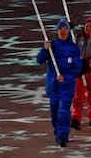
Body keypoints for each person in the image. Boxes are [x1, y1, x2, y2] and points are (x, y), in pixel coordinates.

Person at [36, 18, 84, 147]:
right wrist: (44, 49)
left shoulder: (73, 48)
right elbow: (40, 60)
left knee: (64, 110)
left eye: (65, 29)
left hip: (67, 87)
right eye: (60, 29)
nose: (63, 31)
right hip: (53, 86)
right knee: (54, 112)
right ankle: (58, 133)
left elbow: (77, 67)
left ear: (69, 31)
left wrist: (66, 77)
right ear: (57, 31)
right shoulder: (51, 46)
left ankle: (63, 136)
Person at [71, 18, 91, 130]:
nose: (88, 28)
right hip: (80, 69)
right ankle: (75, 118)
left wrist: (89, 65)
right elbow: (71, 45)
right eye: (86, 26)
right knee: (78, 95)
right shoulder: (78, 37)